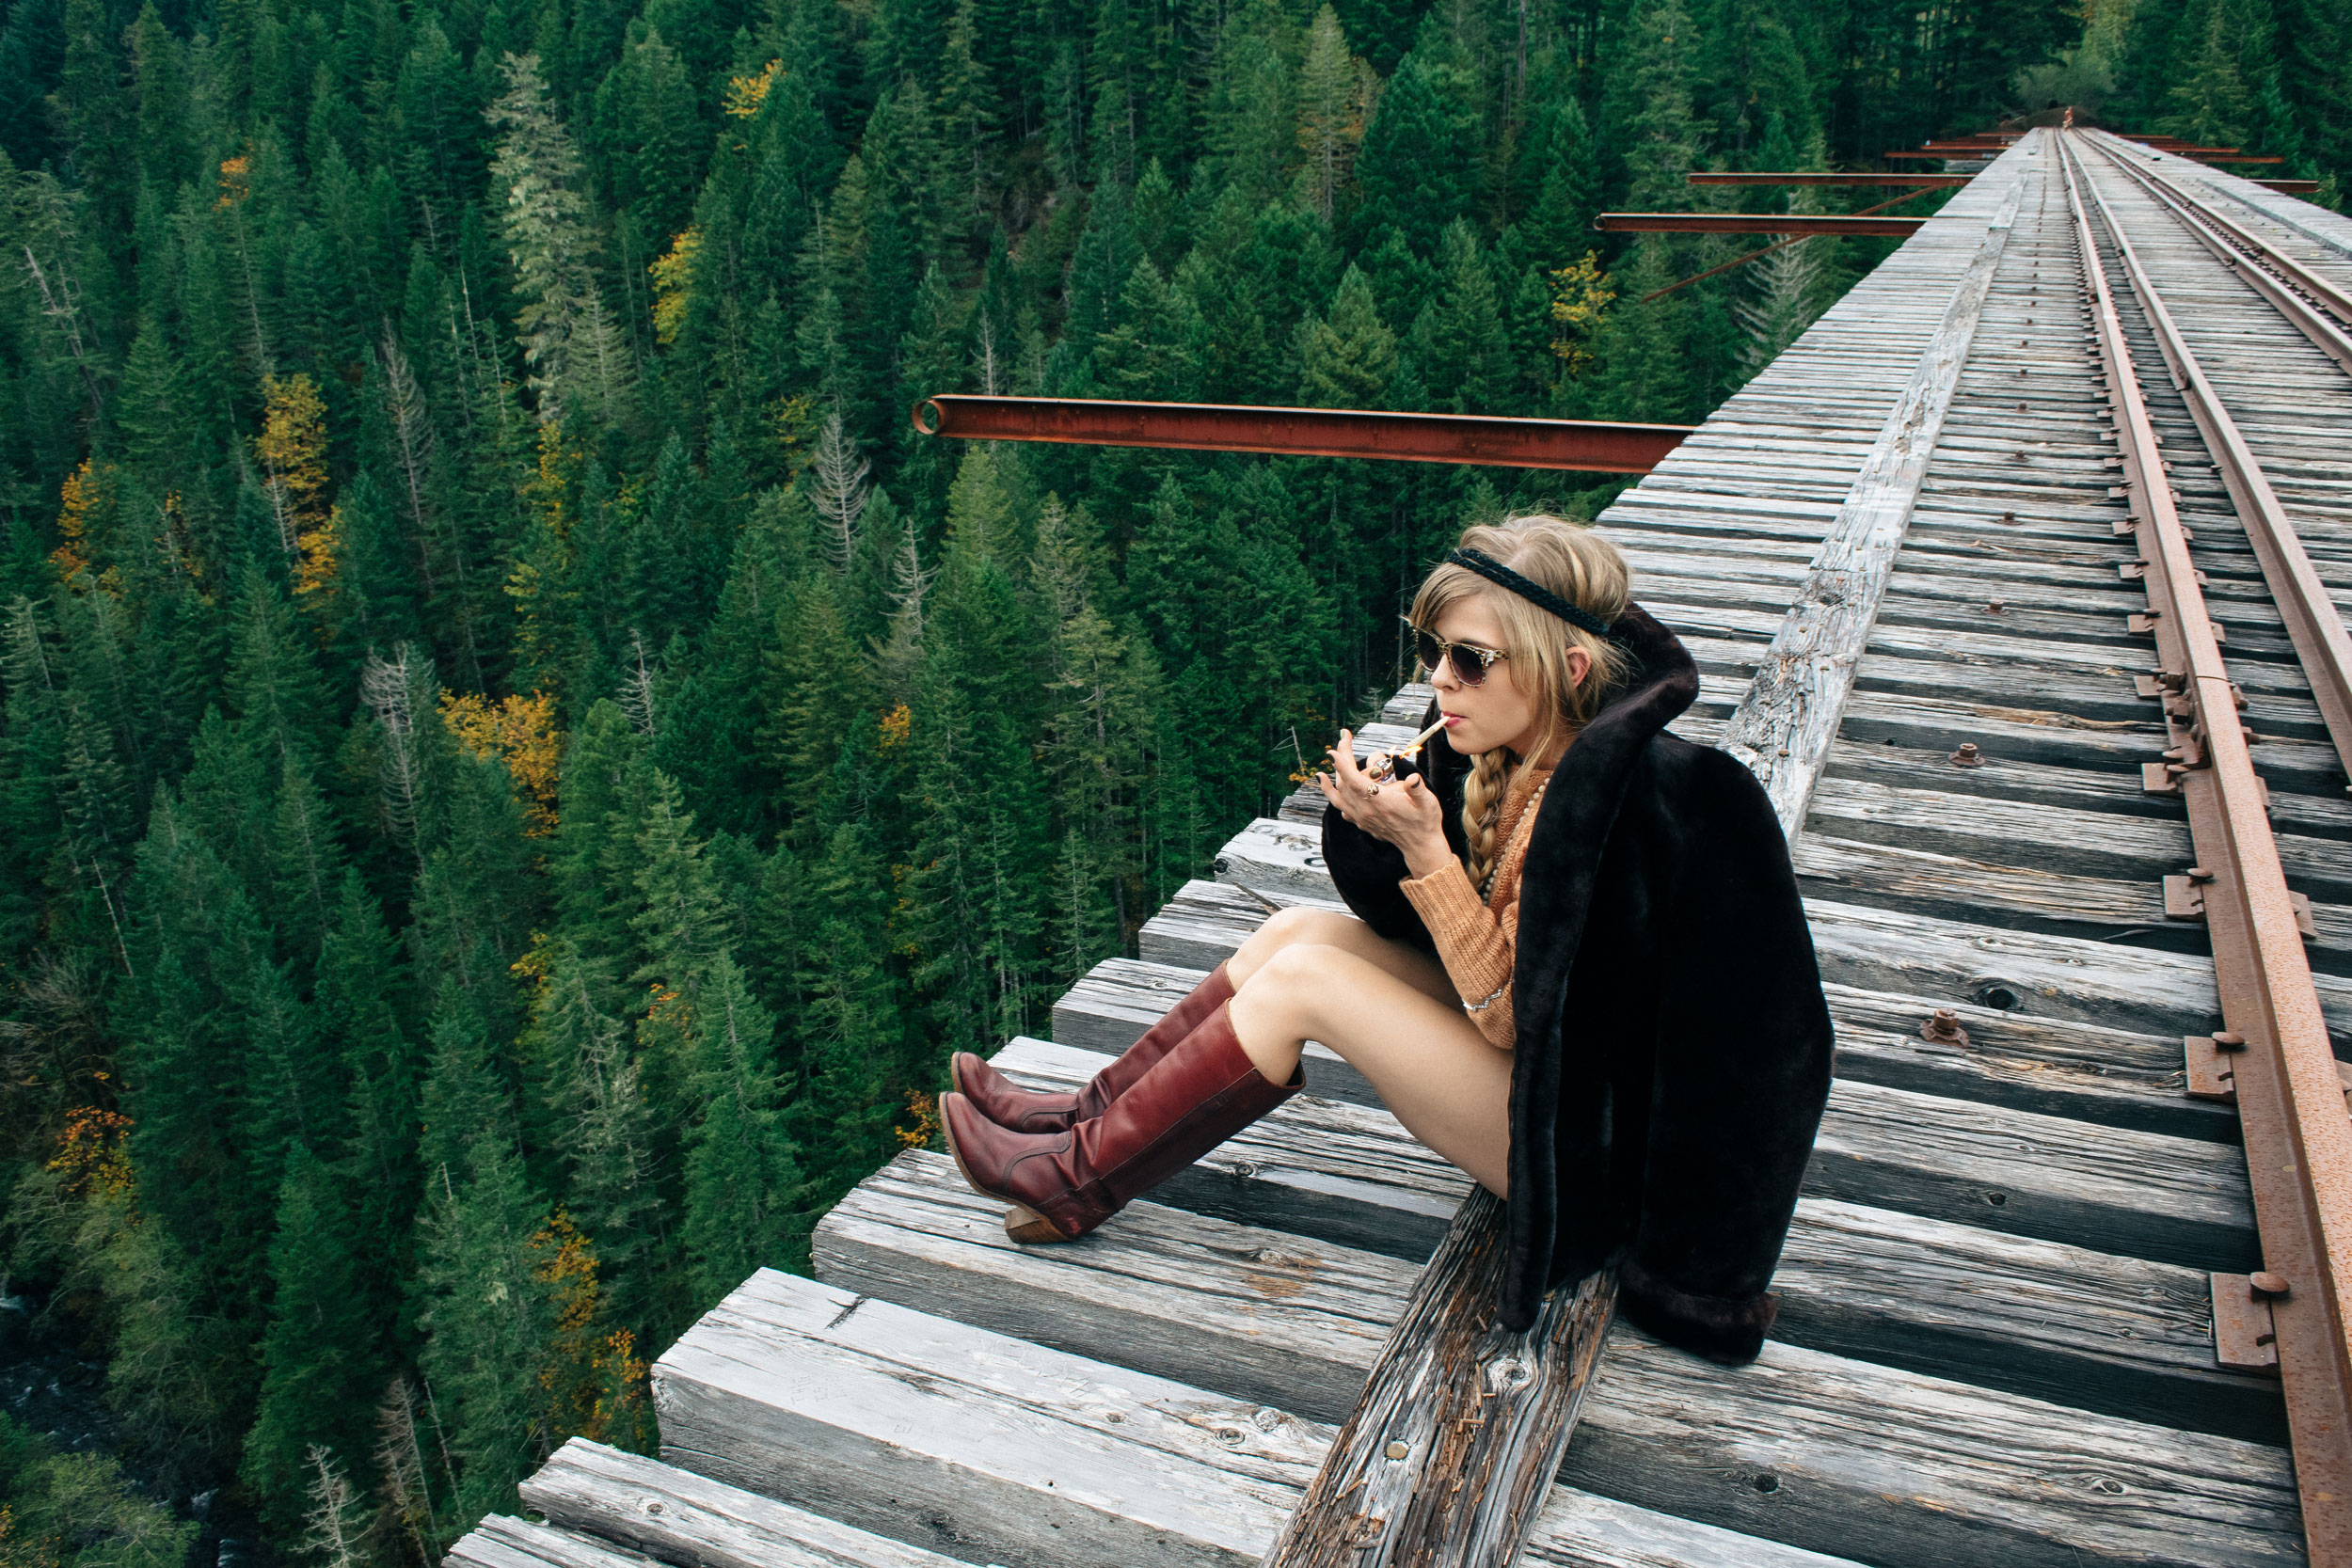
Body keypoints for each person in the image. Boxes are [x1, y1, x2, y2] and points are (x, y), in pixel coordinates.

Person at [939, 515, 1832, 1362]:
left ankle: (1073, 1184)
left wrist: (1423, 847)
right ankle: (1080, 1116)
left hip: (1590, 1169)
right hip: (1552, 1086)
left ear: (1564, 665)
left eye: (1471, 659)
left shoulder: (1652, 798)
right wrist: (1379, 827)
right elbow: (1449, 943)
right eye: (1434, 652)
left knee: (1310, 988)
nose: (1440, 679)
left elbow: (1519, 1020)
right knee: (1297, 932)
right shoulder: (1515, 753)